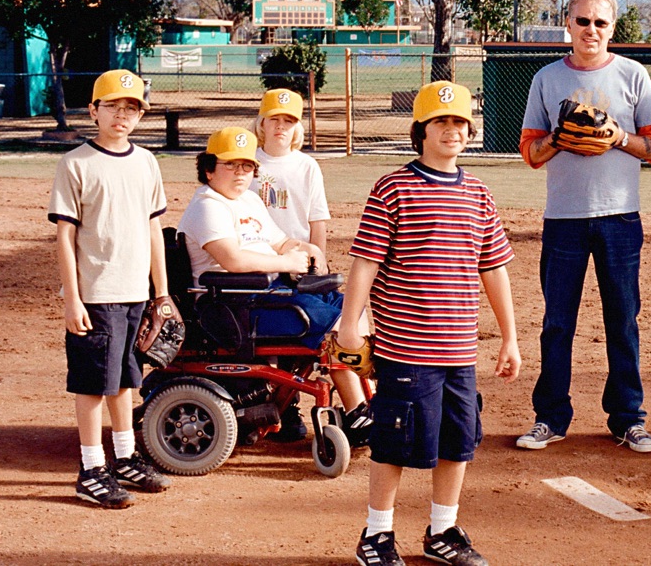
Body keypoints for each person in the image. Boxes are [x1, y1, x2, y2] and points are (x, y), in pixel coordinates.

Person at [332, 81, 520, 566]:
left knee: (458, 442)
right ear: (421, 130)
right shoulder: (394, 187)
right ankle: (376, 534)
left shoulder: (478, 193)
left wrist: (510, 338)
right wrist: (350, 324)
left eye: (459, 122)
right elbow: (365, 262)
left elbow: (493, 268)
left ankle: (442, 530)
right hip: (405, 347)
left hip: (459, 349)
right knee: (394, 442)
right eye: (441, 122)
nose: (452, 130)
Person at [515, 0, 651, 454]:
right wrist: (562, 137)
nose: (591, 30)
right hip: (564, 217)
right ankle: (550, 417)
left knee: (623, 319)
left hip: (620, 217)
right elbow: (530, 152)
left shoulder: (633, 74)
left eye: (601, 23)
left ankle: (628, 418)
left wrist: (617, 135)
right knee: (557, 321)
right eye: (583, 21)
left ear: (612, 28)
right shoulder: (546, 78)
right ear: (568, 23)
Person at [176, 126, 370, 441]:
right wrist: (286, 263)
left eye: (247, 166)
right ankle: (358, 412)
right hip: (232, 305)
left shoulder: (249, 200)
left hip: (266, 294)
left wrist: (308, 249)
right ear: (209, 169)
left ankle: (365, 400)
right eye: (231, 165)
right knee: (336, 322)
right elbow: (233, 261)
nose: (241, 173)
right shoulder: (207, 205)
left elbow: (280, 243)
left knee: (352, 308)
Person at [48, 69, 173, 508]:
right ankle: (90, 468)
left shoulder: (146, 162)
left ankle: (124, 458)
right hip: (95, 293)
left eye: (132, 108)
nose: (123, 115)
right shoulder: (76, 163)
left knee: (124, 380)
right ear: (94, 110)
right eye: (114, 107)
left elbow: (155, 228)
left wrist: (161, 293)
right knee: (92, 384)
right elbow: (65, 236)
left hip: (135, 291)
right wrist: (72, 299)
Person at [250, 88, 332, 441]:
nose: (281, 127)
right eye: (274, 120)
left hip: (298, 261)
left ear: (297, 128)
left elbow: (317, 220)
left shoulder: (306, 165)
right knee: (259, 341)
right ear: (262, 123)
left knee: (297, 342)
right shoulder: (248, 161)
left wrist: (318, 264)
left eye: (289, 121)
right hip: (256, 261)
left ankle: (288, 409)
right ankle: (256, 409)